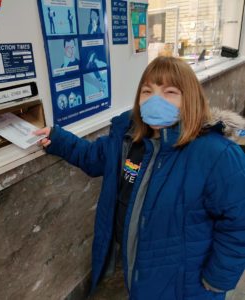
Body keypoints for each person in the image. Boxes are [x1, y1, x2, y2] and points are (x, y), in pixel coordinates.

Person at [34, 56, 245, 300]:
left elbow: (238, 223)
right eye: (147, 91)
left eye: (169, 92)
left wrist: (218, 278)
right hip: (138, 267)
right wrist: (57, 139)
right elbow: (91, 156)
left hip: (187, 284)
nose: (155, 100)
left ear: (190, 99)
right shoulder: (128, 139)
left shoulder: (216, 155)